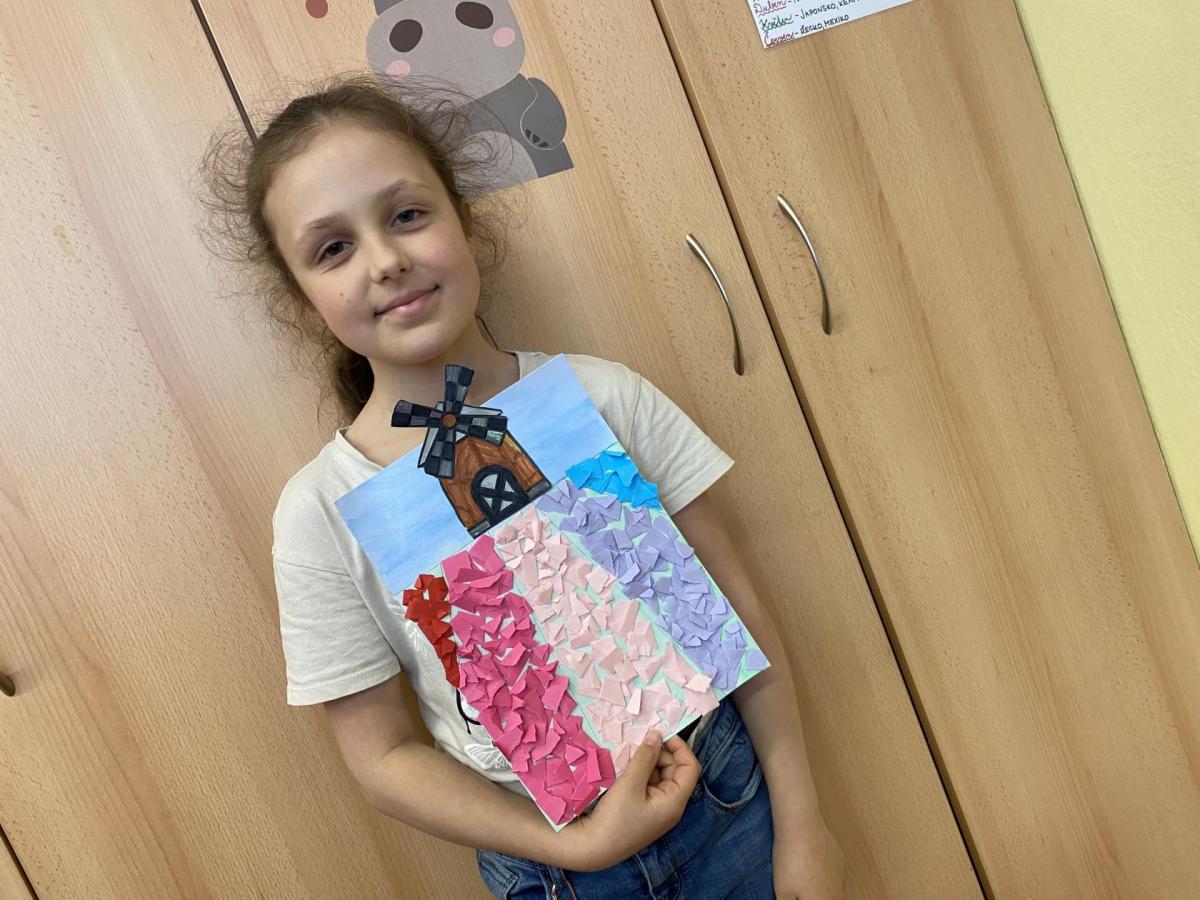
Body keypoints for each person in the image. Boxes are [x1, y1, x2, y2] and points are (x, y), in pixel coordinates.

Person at [201, 71, 845, 899]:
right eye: (333, 249)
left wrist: (805, 824)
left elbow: (735, 615)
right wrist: (576, 849)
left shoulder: (603, 396)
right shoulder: (318, 513)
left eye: (407, 215)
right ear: (303, 296)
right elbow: (381, 756)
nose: (387, 261)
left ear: (462, 217)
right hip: (552, 871)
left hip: (724, 799)